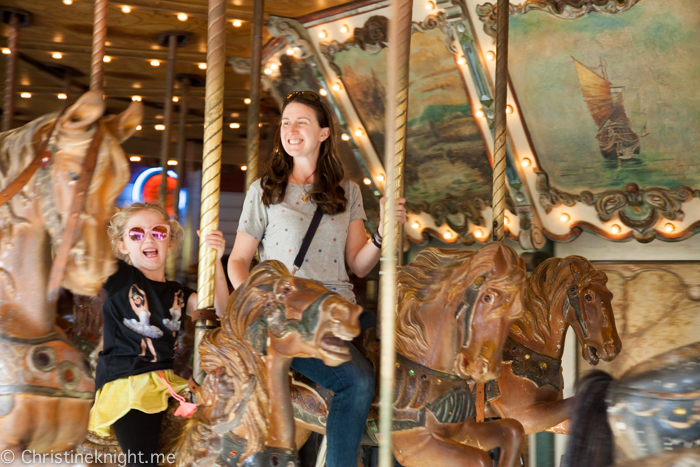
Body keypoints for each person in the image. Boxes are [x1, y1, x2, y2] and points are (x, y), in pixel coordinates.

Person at [227, 90, 407, 466]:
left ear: (324, 133)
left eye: (301, 122)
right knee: (356, 382)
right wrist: (257, 305)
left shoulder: (348, 193)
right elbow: (239, 260)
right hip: (291, 317)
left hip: (340, 312)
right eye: (285, 123)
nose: (290, 130)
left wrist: (382, 234)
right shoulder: (265, 191)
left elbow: (358, 265)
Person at [88, 203, 229, 466]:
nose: (149, 239)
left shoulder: (178, 292)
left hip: (167, 381)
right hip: (129, 383)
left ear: (171, 242)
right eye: (136, 234)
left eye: (159, 233)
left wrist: (216, 259)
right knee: (143, 461)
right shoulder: (120, 277)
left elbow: (220, 310)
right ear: (122, 245)